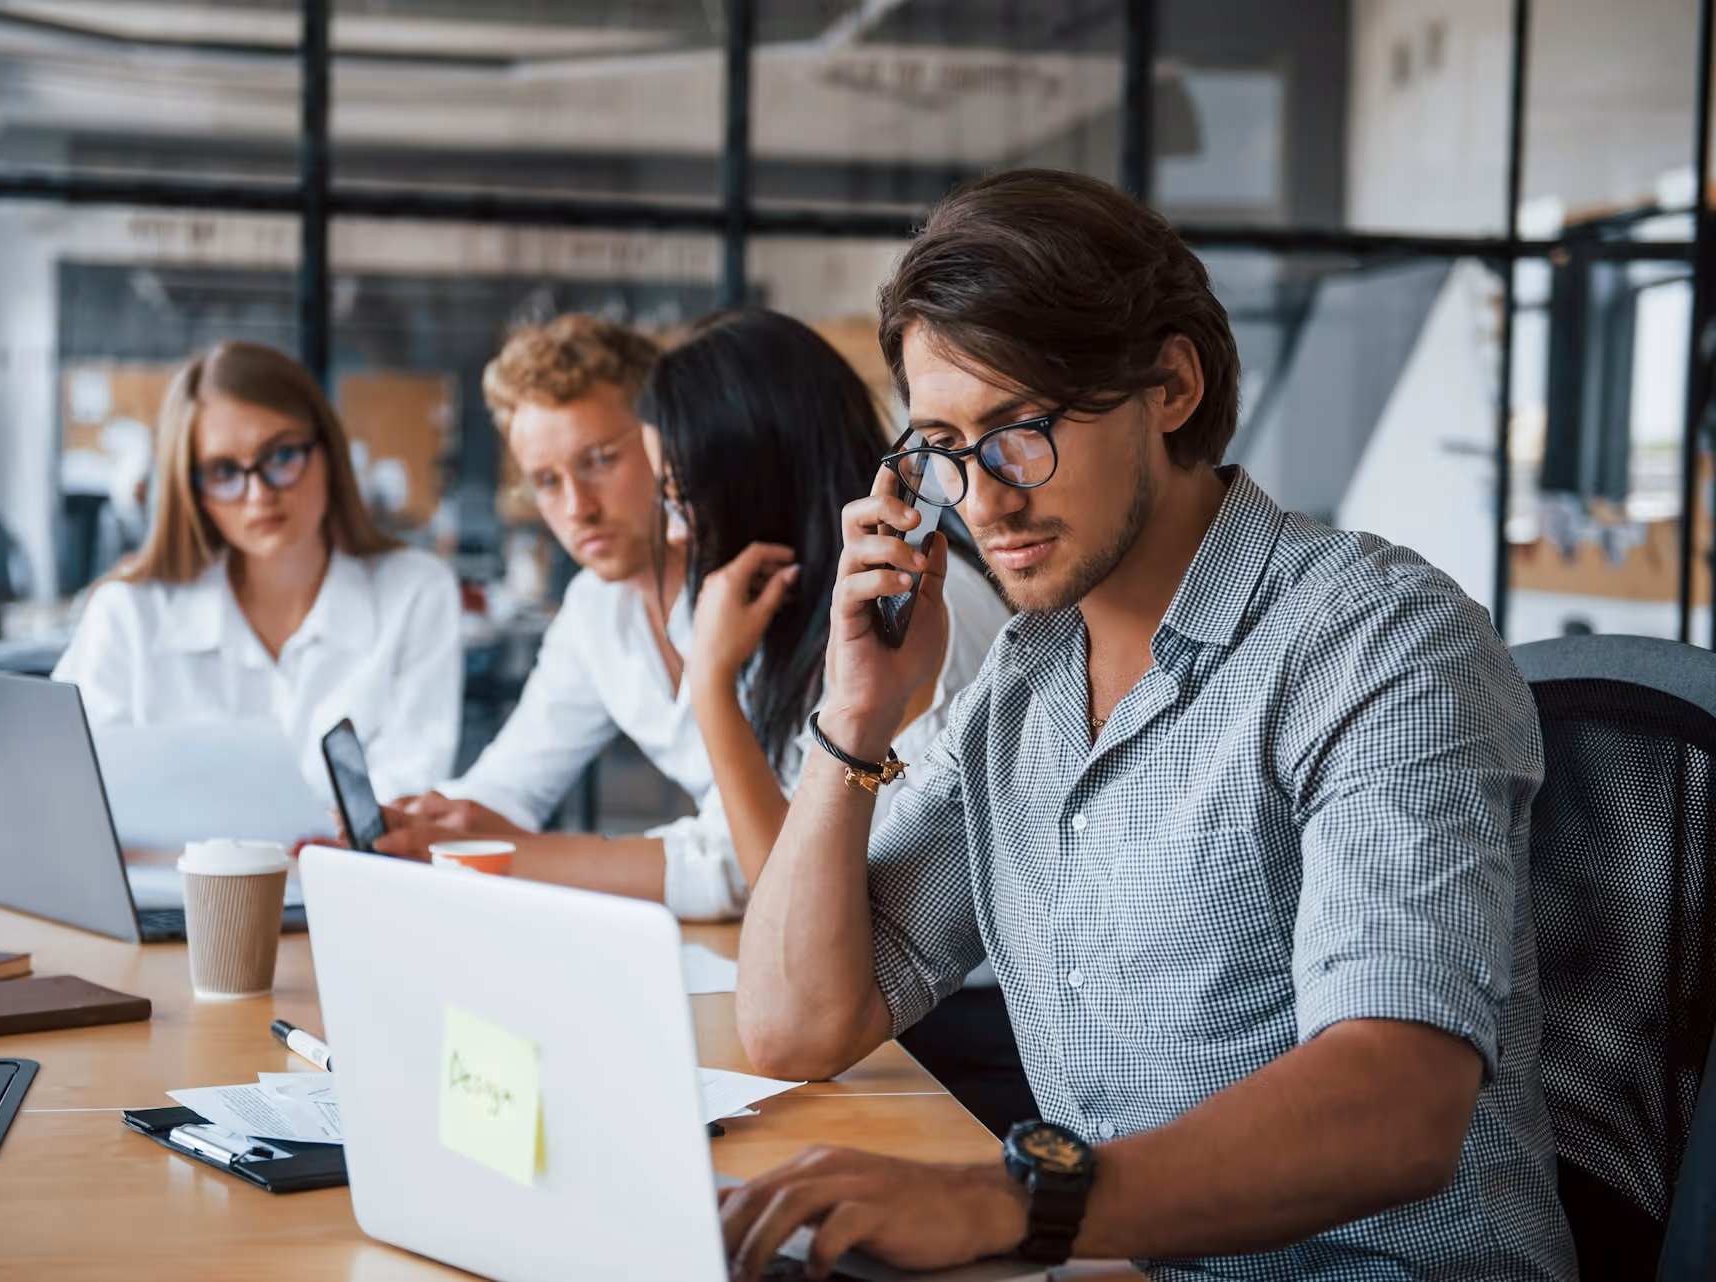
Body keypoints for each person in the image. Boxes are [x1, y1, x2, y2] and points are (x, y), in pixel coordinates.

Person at [723, 171, 1577, 1281]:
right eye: (942, 447)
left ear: (1170, 385)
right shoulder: (1025, 681)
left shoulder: (1379, 642)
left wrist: (1009, 1203)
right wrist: (854, 716)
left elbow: (1399, 1101)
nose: (983, 499)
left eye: (1020, 429)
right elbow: (795, 1024)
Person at [380, 310, 1010, 923]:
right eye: (546, 481)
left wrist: (709, 682)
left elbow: (780, 883)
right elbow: (761, 858)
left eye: (603, 460)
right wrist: (428, 830)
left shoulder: (901, 602)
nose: (578, 508)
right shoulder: (727, 596)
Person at [53, 340, 465, 806]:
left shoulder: (415, 592)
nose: (258, 495)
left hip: (343, 861)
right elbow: (71, 792)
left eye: (282, 457)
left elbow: (404, 797)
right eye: (224, 471)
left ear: (329, 454)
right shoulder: (127, 612)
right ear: (192, 490)